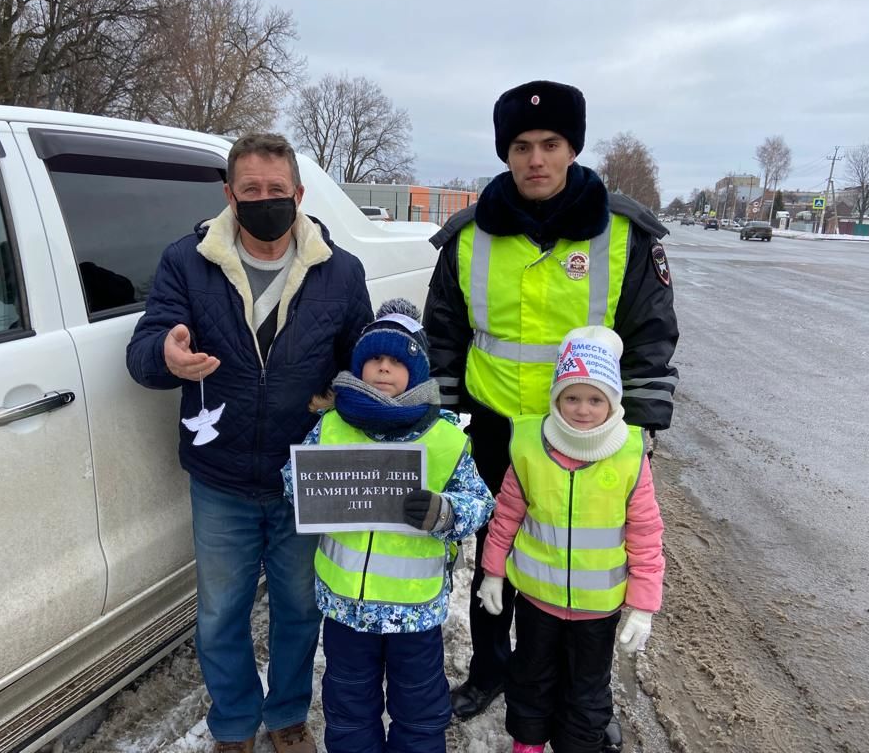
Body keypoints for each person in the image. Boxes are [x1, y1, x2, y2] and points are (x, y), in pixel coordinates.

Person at [423, 80, 678, 743]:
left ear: (572, 149)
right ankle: (490, 669)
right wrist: (445, 419)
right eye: (521, 146)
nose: (536, 158)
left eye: (550, 144)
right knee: (494, 550)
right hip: (496, 423)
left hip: (587, 434)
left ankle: (586, 694)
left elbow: (650, 333)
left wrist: (642, 430)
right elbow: (445, 332)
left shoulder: (623, 234)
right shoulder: (468, 237)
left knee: (587, 559)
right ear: (506, 154)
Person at [126, 133, 373, 753]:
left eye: (276, 190)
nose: (265, 201)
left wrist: (364, 393)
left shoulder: (341, 271)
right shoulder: (188, 261)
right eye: (251, 190)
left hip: (304, 478)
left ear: (299, 193)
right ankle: (233, 724)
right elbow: (145, 347)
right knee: (220, 615)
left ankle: (287, 717)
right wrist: (166, 354)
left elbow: (361, 363)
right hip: (222, 477)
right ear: (229, 195)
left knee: (298, 610)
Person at [282, 298, 494, 753]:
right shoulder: (333, 426)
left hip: (413, 613)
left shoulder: (445, 436)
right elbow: (294, 480)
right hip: (346, 610)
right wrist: (303, 489)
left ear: (416, 373)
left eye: (396, 361)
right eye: (374, 359)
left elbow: (479, 503)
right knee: (348, 706)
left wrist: (445, 512)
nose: (383, 368)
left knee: (419, 710)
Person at [478, 326, 665, 753]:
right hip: (536, 602)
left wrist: (643, 605)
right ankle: (526, 744)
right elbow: (506, 513)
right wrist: (493, 572)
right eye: (572, 397)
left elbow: (646, 535)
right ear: (556, 398)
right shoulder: (530, 445)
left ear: (612, 402)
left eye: (595, 399)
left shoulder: (630, 455)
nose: (582, 410)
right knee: (529, 677)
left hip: (597, 613)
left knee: (587, 691)